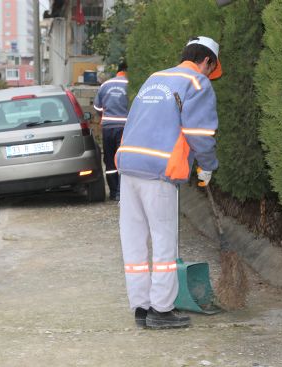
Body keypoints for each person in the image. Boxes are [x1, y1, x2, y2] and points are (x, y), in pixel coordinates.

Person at [116, 36, 222, 328]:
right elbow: (200, 134)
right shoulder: (197, 83)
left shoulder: (155, 78)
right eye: (211, 70)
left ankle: (141, 307)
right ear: (207, 62)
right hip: (159, 170)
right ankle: (161, 311)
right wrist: (208, 166)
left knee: (134, 241)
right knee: (164, 241)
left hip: (129, 165)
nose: (209, 75)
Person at [93, 60, 129, 201]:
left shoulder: (105, 85)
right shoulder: (130, 85)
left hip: (108, 127)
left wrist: (106, 116)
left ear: (118, 71)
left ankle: (113, 193)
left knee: (109, 160)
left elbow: (97, 108)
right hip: (124, 127)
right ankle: (122, 193)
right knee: (122, 159)